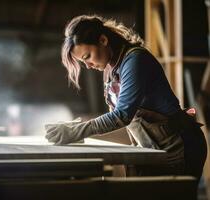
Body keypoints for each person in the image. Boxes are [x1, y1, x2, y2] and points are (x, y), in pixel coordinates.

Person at [45, 15, 207, 183]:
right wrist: (78, 130)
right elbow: (116, 122)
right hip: (152, 149)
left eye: (87, 57)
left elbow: (122, 116)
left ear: (103, 40)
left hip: (178, 147)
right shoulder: (109, 69)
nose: (88, 65)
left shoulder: (135, 60)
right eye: (82, 61)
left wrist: (78, 130)